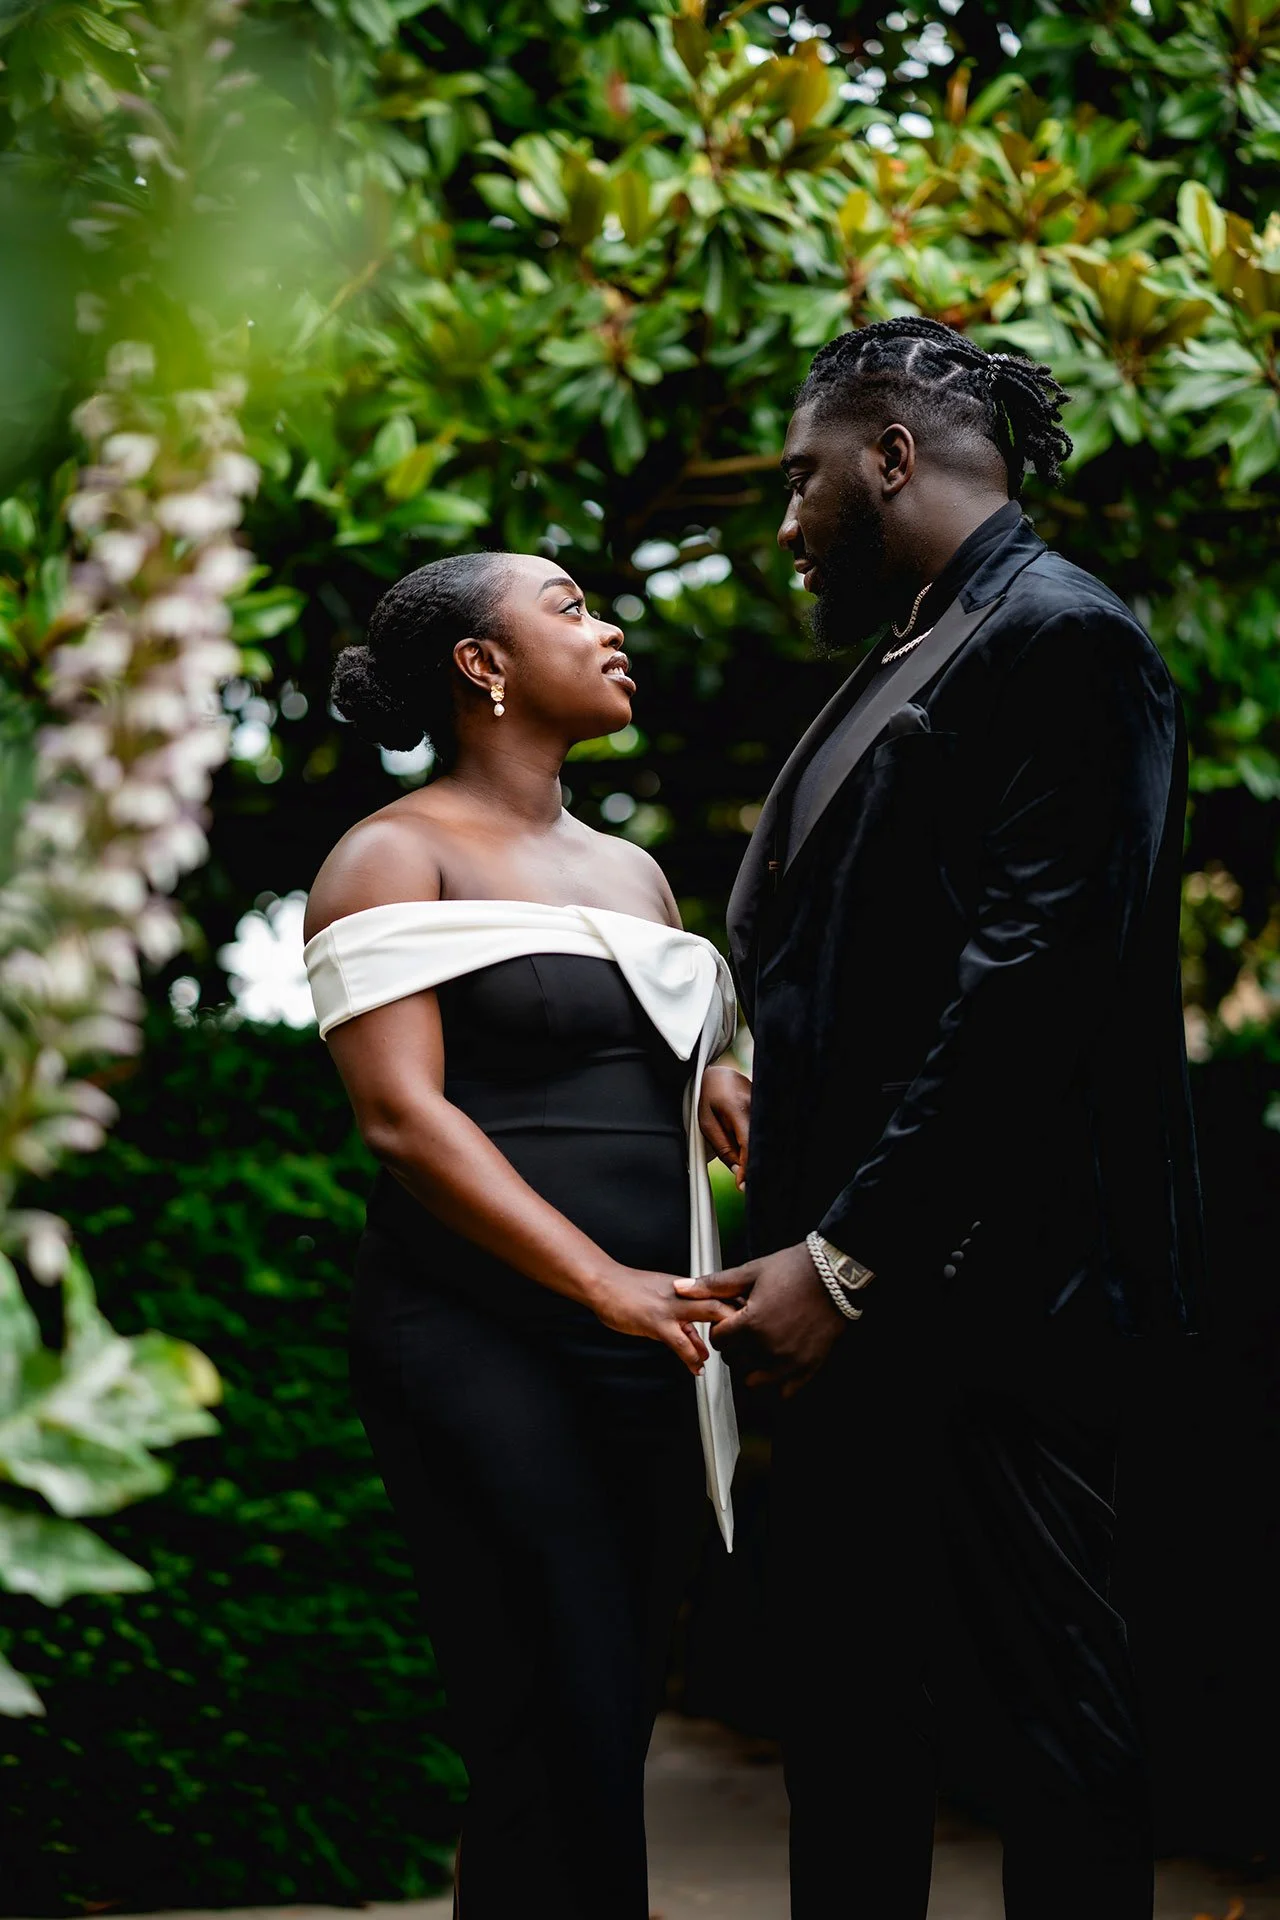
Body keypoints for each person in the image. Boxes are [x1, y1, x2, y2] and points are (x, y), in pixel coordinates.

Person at [679, 317, 1204, 1920]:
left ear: (891, 457)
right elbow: (894, 956)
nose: (785, 520)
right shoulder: (914, 643)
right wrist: (776, 1085)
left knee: (1049, 1733)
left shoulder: (1062, 639)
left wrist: (845, 1258)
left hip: (1007, 1301)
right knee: (850, 1723)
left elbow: (1038, 979)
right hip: (873, 1299)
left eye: (802, 477)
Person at [302, 552, 748, 1920]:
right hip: (478, 1335)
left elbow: (671, 1065)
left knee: (603, 1722)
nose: (608, 629)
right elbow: (401, 1119)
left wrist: (719, 1080)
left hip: (651, 1344)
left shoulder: (636, 875)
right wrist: (604, 1285)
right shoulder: (393, 852)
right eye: (566, 608)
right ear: (480, 668)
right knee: (544, 1714)